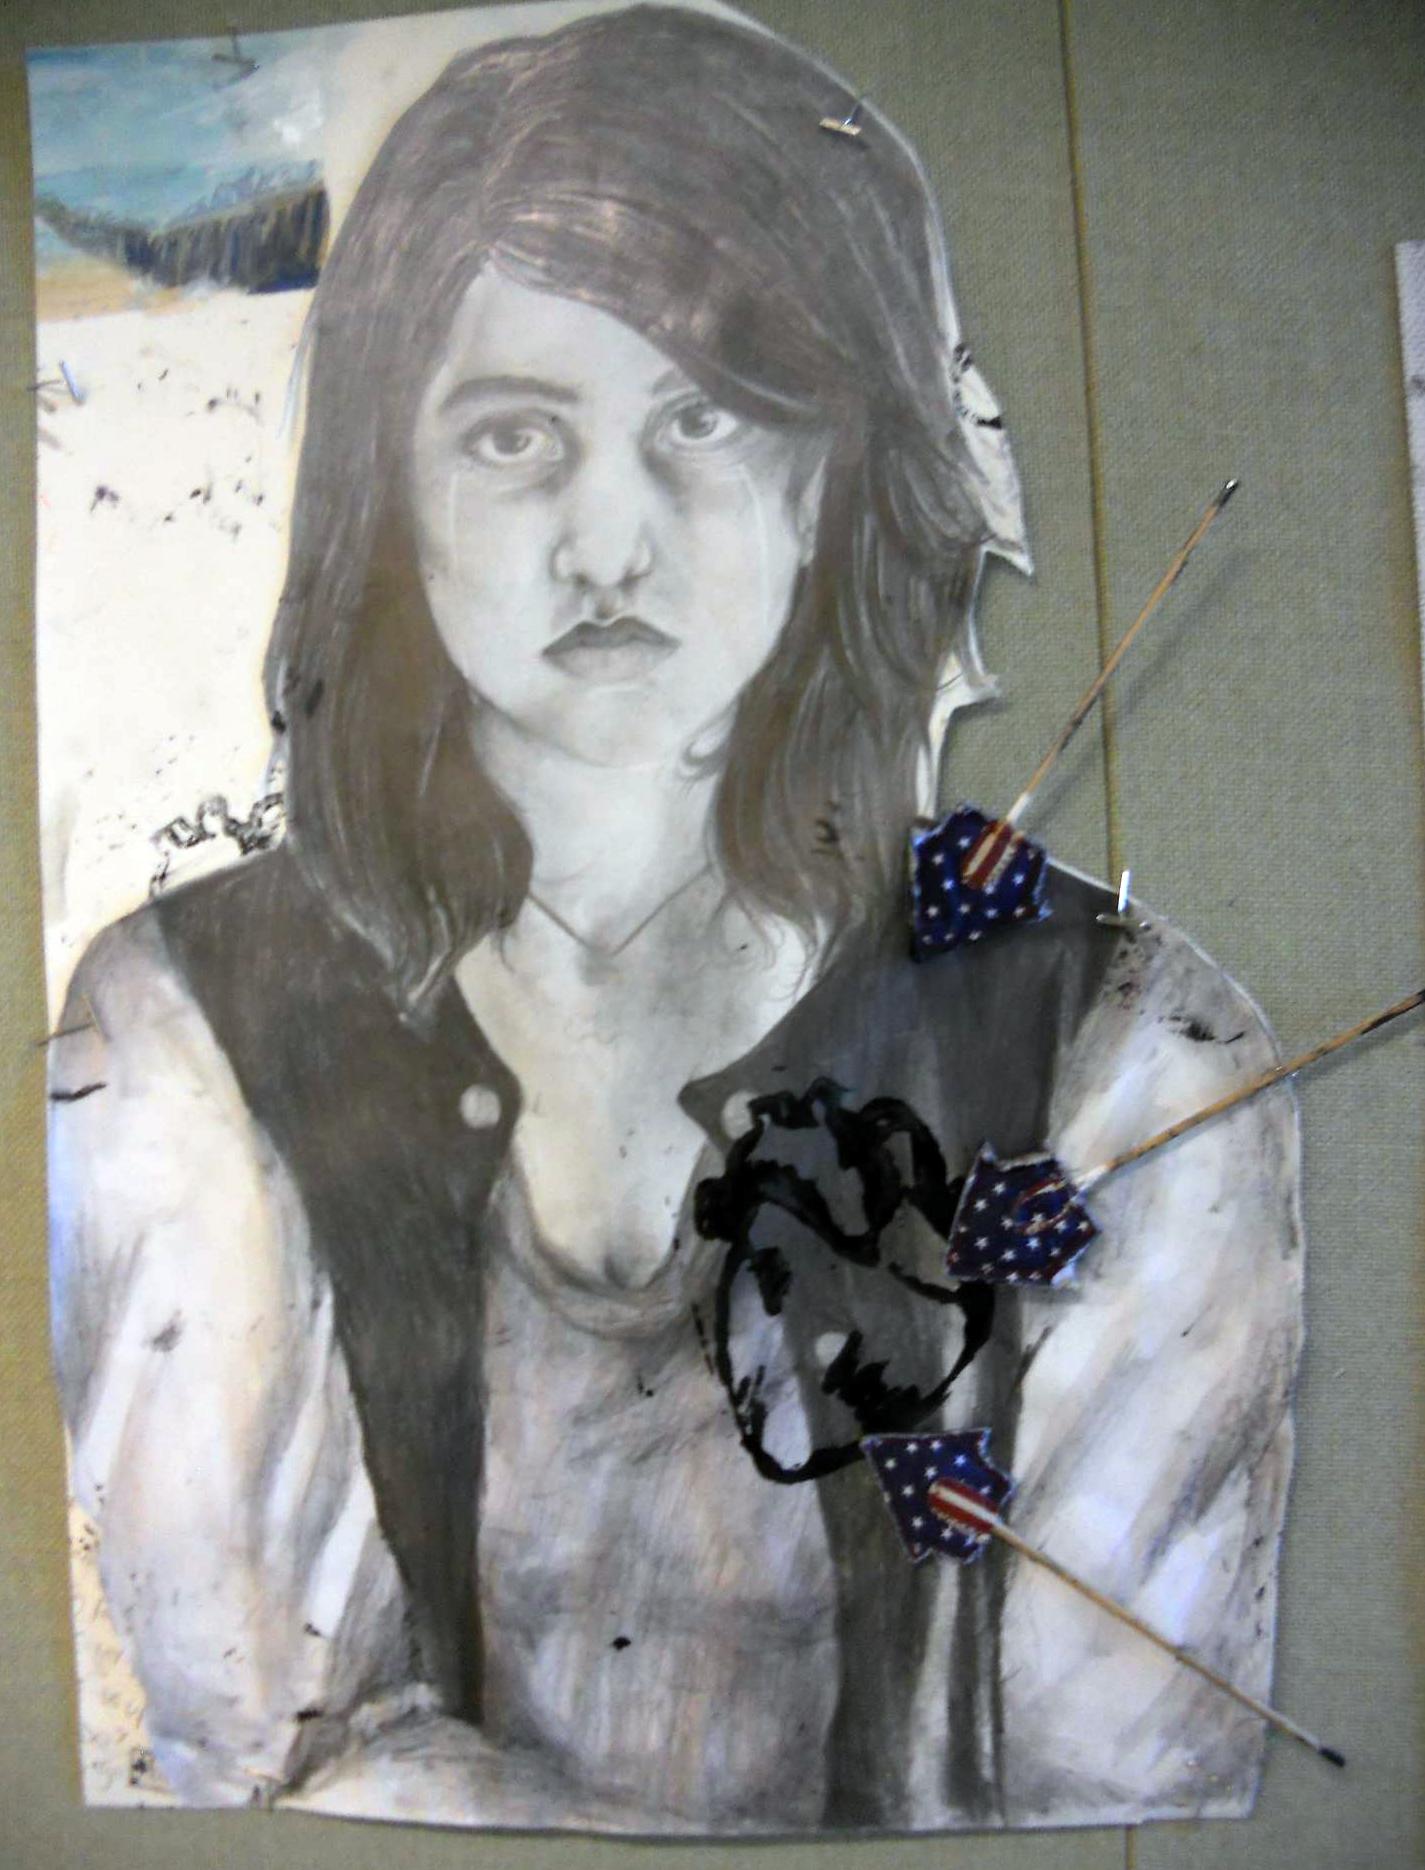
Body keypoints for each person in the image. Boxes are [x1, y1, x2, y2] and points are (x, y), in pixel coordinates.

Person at [46, 3, 1302, 1835]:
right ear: (387, 490)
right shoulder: (187, 1025)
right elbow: (268, 1746)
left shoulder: (1127, 1059)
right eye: (511, 435)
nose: (608, 544)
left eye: (703, 416)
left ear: (839, 464)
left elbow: (1118, 1773)